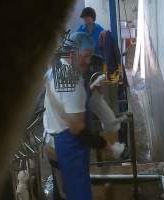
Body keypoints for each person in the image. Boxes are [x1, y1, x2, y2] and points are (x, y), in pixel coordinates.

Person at [43, 32, 111, 200]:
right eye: (85, 56)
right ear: (72, 52)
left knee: (67, 189)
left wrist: (90, 89)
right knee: (79, 193)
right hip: (69, 145)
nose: (88, 61)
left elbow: (64, 100)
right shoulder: (73, 83)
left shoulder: (57, 68)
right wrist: (103, 143)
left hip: (52, 141)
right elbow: (78, 128)